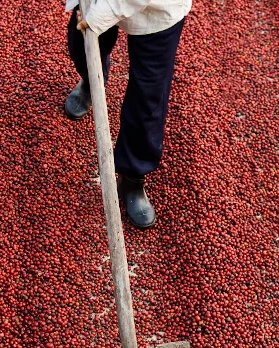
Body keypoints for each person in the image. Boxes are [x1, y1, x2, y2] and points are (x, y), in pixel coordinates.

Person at [64, 0, 191, 229]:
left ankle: (132, 176)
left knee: (148, 95)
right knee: (81, 47)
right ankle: (92, 81)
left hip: (159, 8)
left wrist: (101, 15)